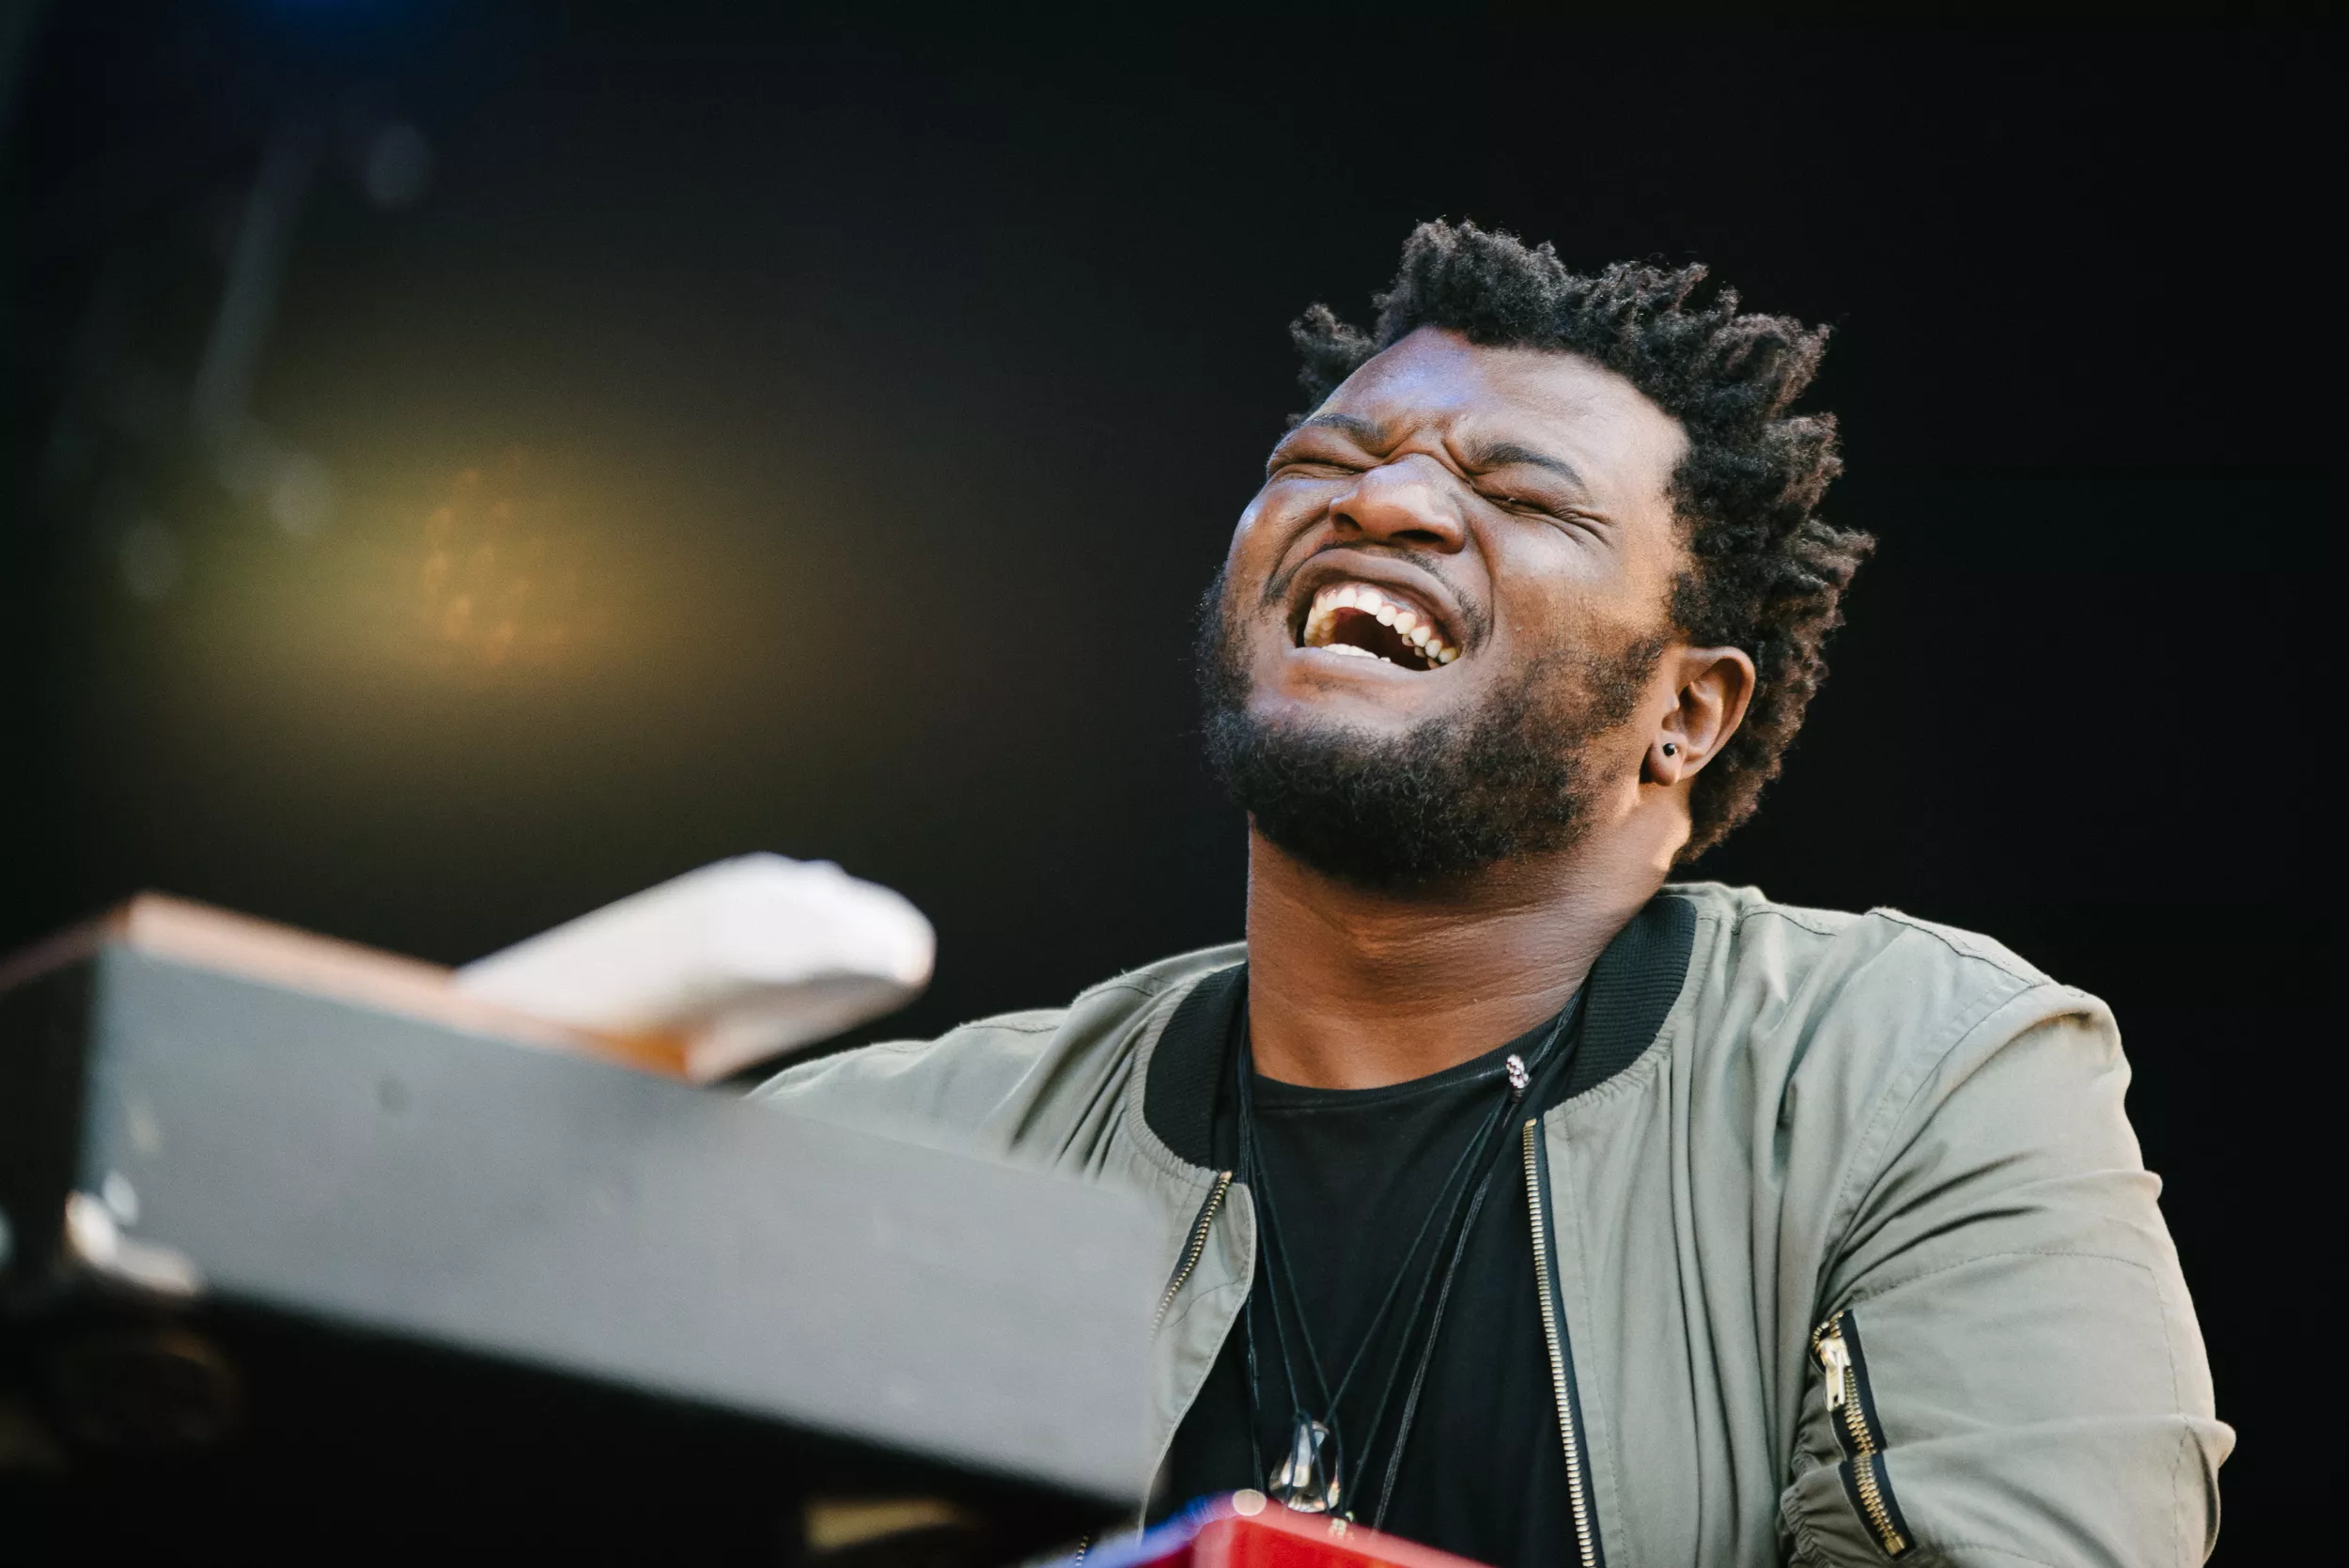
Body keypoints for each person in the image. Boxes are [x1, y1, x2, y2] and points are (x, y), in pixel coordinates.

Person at [756, 221, 2229, 1567]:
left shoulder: (1912, 1073)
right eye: (1322, 462)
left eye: (1522, 494)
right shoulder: (884, 1151)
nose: (1385, 500)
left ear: (1687, 714)